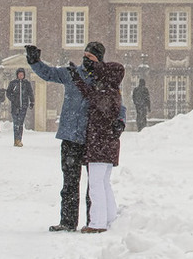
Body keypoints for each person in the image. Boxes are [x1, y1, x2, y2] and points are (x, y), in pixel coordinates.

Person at [27, 42, 98, 231]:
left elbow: (117, 103)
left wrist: (120, 121)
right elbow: (49, 73)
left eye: (90, 57)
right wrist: (35, 62)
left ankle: (94, 221)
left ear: (98, 59)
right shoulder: (72, 74)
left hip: (92, 137)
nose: (85, 59)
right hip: (70, 136)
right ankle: (67, 222)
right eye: (84, 55)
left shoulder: (103, 78)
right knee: (69, 183)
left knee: (95, 185)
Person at [72, 58, 126, 232]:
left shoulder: (106, 93)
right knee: (103, 183)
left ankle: (97, 223)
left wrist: (78, 80)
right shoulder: (113, 92)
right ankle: (110, 218)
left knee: (95, 185)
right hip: (107, 145)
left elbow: (91, 97)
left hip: (99, 145)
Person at [7, 68, 34, 147]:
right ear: (17, 75)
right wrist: (12, 99)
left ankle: (19, 139)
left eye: (22, 74)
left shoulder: (26, 83)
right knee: (16, 124)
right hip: (15, 107)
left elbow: (30, 93)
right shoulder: (13, 83)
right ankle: (16, 140)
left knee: (20, 123)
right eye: (19, 74)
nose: (21, 75)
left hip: (23, 106)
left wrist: (32, 102)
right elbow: (8, 92)